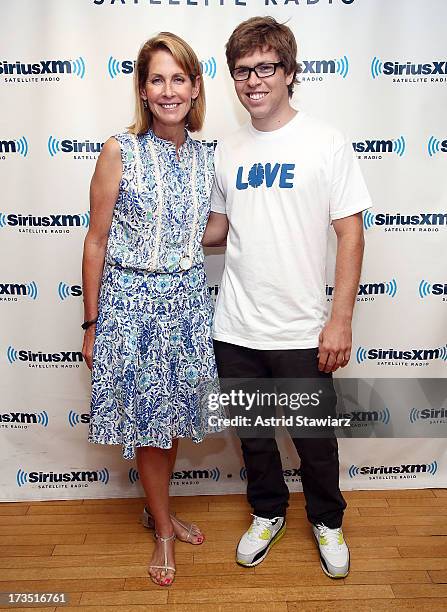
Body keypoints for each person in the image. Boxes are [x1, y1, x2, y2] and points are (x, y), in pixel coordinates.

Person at [202, 16, 372, 578]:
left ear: (290, 72)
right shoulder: (226, 150)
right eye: (242, 70)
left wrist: (339, 320)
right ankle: (268, 512)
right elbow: (219, 231)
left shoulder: (326, 142)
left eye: (266, 67)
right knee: (254, 439)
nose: (254, 80)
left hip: (301, 328)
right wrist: (146, 227)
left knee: (316, 443)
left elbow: (350, 231)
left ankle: (328, 520)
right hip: (235, 326)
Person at [82, 32, 222, 587]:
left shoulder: (208, 157)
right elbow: (96, 241)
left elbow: (206, 228)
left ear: (194, 88)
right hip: (132, 306)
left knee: (173, 421)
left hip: (187, 304)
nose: (169, 90)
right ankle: (163, 529)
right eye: (157, 79)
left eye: (179, 78)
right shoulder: (120, 149)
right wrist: (92, 325)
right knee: (150, 429)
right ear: (143, 89)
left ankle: (155, 509)